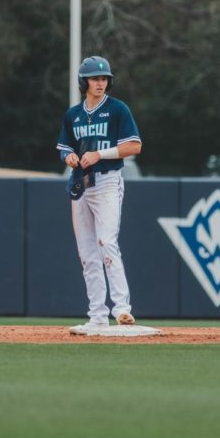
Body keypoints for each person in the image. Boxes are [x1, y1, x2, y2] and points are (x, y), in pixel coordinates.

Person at [57, 56, 142, 330]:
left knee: (107, 242)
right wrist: (69, 157)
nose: (100, 83)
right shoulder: (73, 115)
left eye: (104, 78)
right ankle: (96, 315)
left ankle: (122, 310)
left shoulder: (117, 109)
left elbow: (134, 146)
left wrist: (99, 154)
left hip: (107, 181)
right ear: (84, 82)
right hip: (83, 182)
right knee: (86, 251)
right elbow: (64, 146)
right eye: (95, 78)